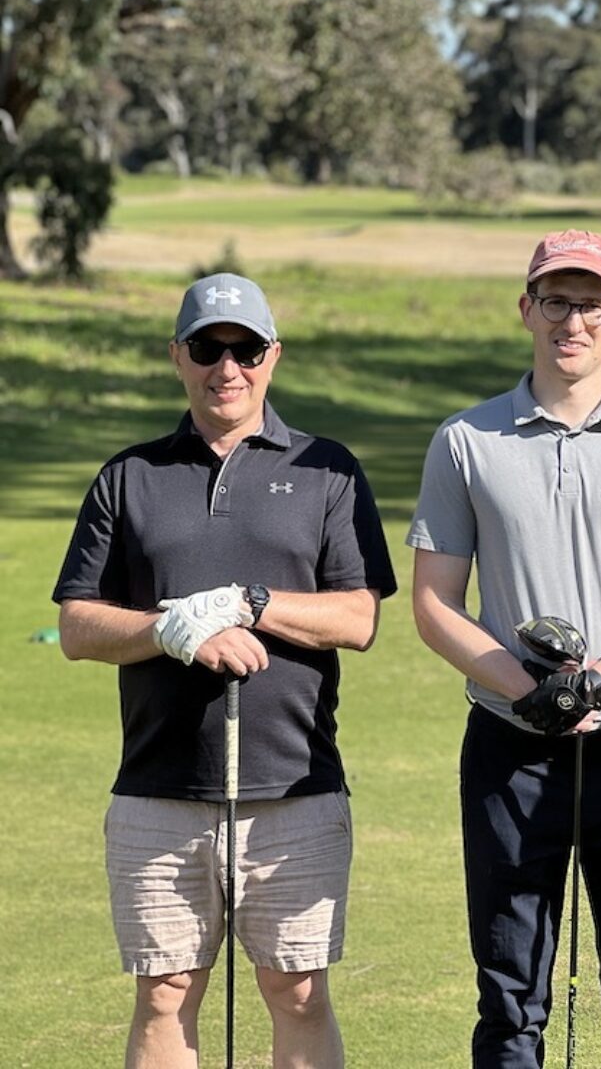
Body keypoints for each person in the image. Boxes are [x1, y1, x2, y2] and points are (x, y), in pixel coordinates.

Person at [52, 272, 397, 1068]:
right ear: (177, 355)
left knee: (298, 991)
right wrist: (175, 631)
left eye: (246, 348)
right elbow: (77, 625)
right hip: (157, 787)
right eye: (208, 348)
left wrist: (247, 603)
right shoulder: (130, 476)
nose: (227, 367)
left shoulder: (327, 469)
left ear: (274, 355)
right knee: (164, 992)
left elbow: (358, 617)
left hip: (295, 788)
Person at [408, 229, 601, 1068]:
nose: (572, 321)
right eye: (555, 301)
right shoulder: (466, 441)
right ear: (526, 309)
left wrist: (595, 686)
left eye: (593, 304)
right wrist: (528, 692)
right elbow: (434, 603)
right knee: (510, 1003)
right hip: (510, 748)